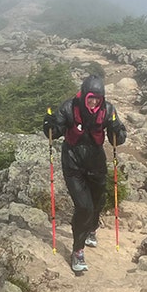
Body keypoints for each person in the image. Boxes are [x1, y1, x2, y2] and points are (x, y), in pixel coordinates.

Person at [43, 75, 127, 273]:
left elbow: (119, 139)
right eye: (91, 97)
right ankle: (77, 251)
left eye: (97, 98)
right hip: (73, 162)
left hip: (96, 161)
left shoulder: (108, 110)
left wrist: (117, 130)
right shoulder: (69, 107)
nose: (94, 101)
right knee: (84, 206)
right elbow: (55, 132)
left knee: (98, 202)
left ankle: (91, 230)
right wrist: (49, 126)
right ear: (84, 95)